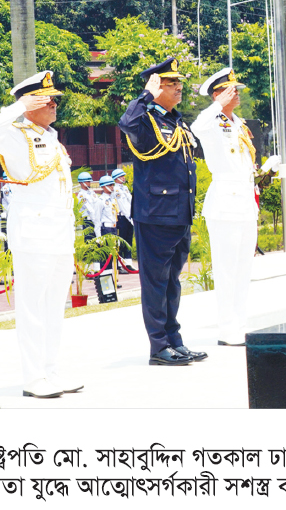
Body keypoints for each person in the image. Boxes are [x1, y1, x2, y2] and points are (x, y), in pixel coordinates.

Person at [0, 70, 81, 399]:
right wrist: (19, 106)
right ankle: (33, 376)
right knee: (32, 307)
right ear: (30, 103)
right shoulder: (14, 133)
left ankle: (51, 371)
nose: (54, 105)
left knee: (54, 306)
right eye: (47, 100)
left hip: (60, 233)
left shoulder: (52, 137)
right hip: (34, 233)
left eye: (54, 100)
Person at [118, 57, 204, 366]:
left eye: (179, 82)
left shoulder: (175, 120)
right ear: (156, 87)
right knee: (155, 282)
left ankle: (174, 340)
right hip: (155, 213)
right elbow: (125, 124)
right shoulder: (146, 119)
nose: (179, 87)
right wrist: (146, 95)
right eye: (170, 83)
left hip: (179, 212)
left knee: (172, 281)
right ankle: (158, 346)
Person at [191, 68, 280, 346]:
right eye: (231, 90)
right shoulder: (212, 121)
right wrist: (216, 105)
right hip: (225, 203)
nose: (237, 93)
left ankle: (239, 323)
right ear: (217, 94)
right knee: (226, 268)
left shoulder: (239, 123)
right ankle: (226, 328)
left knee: (243, 268)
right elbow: (196, 127)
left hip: (245, 201)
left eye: (236, 89)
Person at [110, 169, 133, 265]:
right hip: (122, 218)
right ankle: (121, 263)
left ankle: (128, 263)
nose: (124, 177)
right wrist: (130, 217)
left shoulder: (125, 188)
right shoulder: (116, 190)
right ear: (117, 178)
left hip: (129, 217)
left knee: (129, 239)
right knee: (122, 240)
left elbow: (130, 201)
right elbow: (123, 206)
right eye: (122, 176)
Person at [76, 171, 97, 240]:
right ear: (82, 183)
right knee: (90, 240)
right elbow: (90, 209)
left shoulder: (91, 192)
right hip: (88, 221)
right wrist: (95, 221)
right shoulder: (81, 195)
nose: (89, 183)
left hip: (95, 219)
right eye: (87, 181)